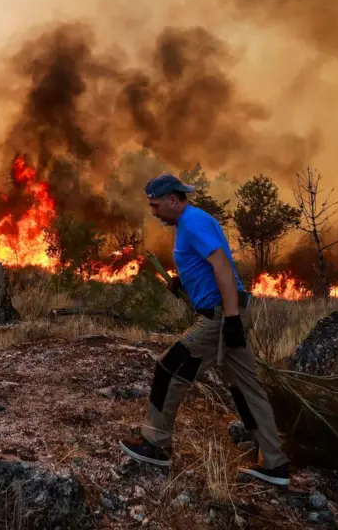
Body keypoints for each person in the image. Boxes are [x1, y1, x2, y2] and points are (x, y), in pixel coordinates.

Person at [119, 173, 291, 487]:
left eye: (156, 206)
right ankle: (274, 463)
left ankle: (155, 444)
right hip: (225, 313)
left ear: (173, 199)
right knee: (245, 387)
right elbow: (208, 268)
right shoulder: (193, 221)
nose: (154, 213)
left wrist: (232, 319)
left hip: (218, 319)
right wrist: (184, 283)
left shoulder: (193, 222)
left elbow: (222, 266)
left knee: (169, 369)